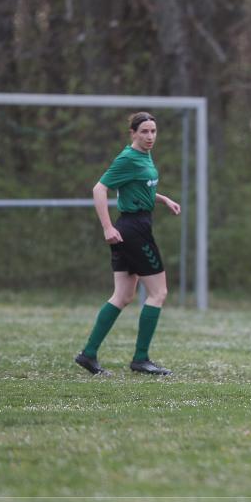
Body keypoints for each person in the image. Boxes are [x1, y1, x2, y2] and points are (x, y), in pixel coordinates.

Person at [74, 112, 181, 376]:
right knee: (159, 293)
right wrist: (107, 226)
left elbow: (140, 187)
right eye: (144, 131)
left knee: (122, 296)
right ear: (132, 133)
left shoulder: (144, 156)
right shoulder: (128, 158)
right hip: (133, 230)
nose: (150, 137)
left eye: (153, 131)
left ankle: (88, 354)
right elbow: (99, 189)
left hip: (132, 227)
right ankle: (141, 359)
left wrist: (163, 199)